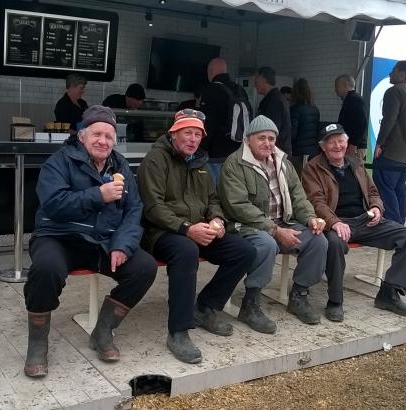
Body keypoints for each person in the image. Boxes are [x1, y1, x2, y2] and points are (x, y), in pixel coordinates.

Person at [22, 105, 158, 377]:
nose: (103, 141)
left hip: (102, 241)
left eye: (109, 136)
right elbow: (53, 204)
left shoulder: (119, 165)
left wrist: (122, 244)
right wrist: (99, 195)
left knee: (144, 267)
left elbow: (134, 209)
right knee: (46, 269)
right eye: (97, 134)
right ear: (82, 136)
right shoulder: (59, 162)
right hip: (59, 238)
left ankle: (103, 330)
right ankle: (37, 343)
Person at [137, 109, 256, 364]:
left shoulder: (200, 162)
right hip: (161, 232)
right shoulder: (156, 160)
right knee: (186, 251)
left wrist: (216, 219)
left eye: (197, 134)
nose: (193, 139)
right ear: (173, 133)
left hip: (197, 229)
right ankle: (178, 330)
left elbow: (213, 199)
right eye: (187, 133)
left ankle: (206, 307)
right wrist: (186, 228)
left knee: (244, 250)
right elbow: (153, 207)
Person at [302, 123, 406, 321]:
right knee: (334, 243)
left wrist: (376, 208)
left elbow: (373, 192)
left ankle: (389, 294)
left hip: (365, 220)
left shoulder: (355, 162)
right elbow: (316, 202)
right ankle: (335, 300)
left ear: (347, 143)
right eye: (331, 142)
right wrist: (334, 222)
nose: (337, 146)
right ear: (323, 147)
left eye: (341, 141)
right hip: (336, 221)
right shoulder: (313, 167)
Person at [218, 115, 328, 327]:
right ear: (248, 139)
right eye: (261, 138)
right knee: (266, 243)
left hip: (282, 221)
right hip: (246, 225)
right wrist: (275, 230)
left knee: (318, 240)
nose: (267, 143)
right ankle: (250, 303)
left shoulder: (283, 162)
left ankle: (299, 295)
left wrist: (311, 218)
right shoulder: (235, 163)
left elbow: (298, 196)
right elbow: (238, 206)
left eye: (271, 138)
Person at [373, 60, 406, 224]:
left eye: (393, 70)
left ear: (402, 74)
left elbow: (389, 120)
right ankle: (400, 224)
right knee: (399, 189)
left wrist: (379, 144)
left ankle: (393, 226)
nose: (390, 73)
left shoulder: (394, 92)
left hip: (390, 152)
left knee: (385, 188)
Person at [199, 57, 252, 183]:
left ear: (210, 72)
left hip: (217, 154)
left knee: (215, 192)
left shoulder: (211, 90)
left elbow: (207, 124)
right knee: (233, 192)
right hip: (239, 153)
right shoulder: (240, 90)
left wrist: (201, 149)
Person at [255, 66, 292, 155]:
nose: (255, 84)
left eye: (256, 80)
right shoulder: (276, 99)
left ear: (263, 80)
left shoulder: (273, 102)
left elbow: (271, 131)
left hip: (275, 153)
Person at [289, 78, 321, 174]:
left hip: (298, 152)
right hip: (313, 152)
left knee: (299, 180)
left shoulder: (295, 110)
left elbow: (292, 133)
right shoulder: (315, 109)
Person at [335, 74, 368, 160]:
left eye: (337, 86)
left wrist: (354, 143)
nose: (335, 90)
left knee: (354, 171)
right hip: (352, 144)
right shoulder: (351, 99)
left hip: (354, 147)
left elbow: (361, 122)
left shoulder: (354, 99)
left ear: (345, 84)